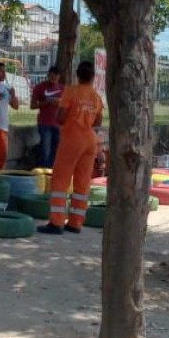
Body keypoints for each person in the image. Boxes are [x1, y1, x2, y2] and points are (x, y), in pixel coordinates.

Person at [38, 60, 104, 235]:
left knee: (60, 180)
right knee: (83, 183)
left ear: (77, 74)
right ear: (93, 77)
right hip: (90, 140)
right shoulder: (96, 96)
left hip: (72, 139)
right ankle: (75, 223)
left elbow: (60, 117)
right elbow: (98, 121)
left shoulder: (71, 91)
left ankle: (56, 222)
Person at [31, 65, 64, 168]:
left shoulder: (63, 89)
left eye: (55, 77)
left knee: (57, 149)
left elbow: (68, 106)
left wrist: (60, 103)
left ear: (59, 77)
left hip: (59, 124)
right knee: (46, 149)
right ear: (48, 76)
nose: (53, 79)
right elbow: (32, 105)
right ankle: (43, 170)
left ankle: (53, 171)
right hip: (44, 123)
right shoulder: (40, 87)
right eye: (51, 77)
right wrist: (46, 102)